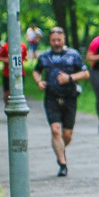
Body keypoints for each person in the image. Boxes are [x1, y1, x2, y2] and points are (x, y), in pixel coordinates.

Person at [33, 28, 89, 177]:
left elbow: (85, 73)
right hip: (51, 97)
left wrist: (69, 78)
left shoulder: (73, 55)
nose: (56, 43)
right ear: (49, 41)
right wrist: (39, 81)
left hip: (70, 97)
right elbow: (36, 70)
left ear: (64, 39)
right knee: (55, 130)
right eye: (53, 41)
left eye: (59, 40)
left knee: (67, 135)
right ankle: (63, 163)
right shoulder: (45, 56)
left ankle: (60, 150)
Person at [0, 36, 29, 103]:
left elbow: (25, 57)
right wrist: (7, 60)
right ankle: (7, 104)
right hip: (7, 73)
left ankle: (18, 105)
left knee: (19, 90)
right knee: (7, 92)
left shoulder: (23, 46)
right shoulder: (5, 46)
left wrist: (23, 59)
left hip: (20, 73)